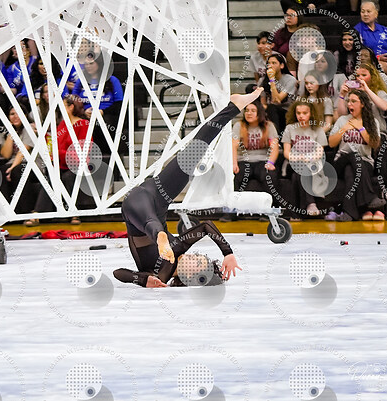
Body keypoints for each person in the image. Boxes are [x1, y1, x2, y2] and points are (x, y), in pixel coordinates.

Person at [112, 90, 264, 288]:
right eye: (200, 258)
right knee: (195, 151)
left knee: (153, 224)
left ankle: (159, 235)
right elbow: (206, 226)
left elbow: (118, 273)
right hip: (158, 196)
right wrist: (227, 252)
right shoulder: (180, 247)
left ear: (190, 277)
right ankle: (233, 106)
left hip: (136, 211)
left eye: (197, 264)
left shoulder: (159, 276)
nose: (194, 257)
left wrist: (142, 280)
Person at [24, 95, 94, 226]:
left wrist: (59, 153)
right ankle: (39, 213)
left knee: (68, 176)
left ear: (71, 107)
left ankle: (73, 212)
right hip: (62, 163)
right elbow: (56, 145)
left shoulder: (84, 124)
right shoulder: (62, 124)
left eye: (63, 105)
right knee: (52, 176)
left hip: (77, 164)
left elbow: (83, 150)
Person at [326, 89, 385, 221]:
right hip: (341, 161)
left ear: (362, 104)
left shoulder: (372, 122)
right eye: (348, 101)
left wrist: (361, 128)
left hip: (365, 163)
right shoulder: (342, 120)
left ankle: (349, 213)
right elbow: (331, 143)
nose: (349, 104)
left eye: (353, 101)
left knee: (350, 172)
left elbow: (375, 144)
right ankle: (370, 197)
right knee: (352, 156)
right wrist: (344, 129)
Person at [220, 100, 279, 222]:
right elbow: (233, 146)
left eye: (253, 111)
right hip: (243, 161)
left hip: (262, 160)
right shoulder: (239, 126)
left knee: (269, 176)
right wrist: (234, 164)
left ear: (259, 113)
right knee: (235, 177)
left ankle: (267, 211)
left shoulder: (269, 126)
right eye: (247, 110)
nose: (249, 113)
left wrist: (270, 163)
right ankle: (231, 212)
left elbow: (274, 147)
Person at [282, 101, 328, 219]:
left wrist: (308, 158)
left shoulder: (318, 130)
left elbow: (319, 153)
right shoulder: (289, 128)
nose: (301, 116)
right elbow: (286, 153)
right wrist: (297, 158)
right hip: (292, 164)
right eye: (298, 113)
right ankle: (310, 203)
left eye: (304, 113)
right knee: (299, 168)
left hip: (311, 165)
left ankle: (296, 214)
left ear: (311, 113)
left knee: (296, 177)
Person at [72, 52, 124, 156]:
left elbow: (119, 104)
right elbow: (73, 100)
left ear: (99, 64)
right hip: (86, 114)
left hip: (106, 114)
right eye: (86, 64)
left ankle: (108, 155)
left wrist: (102, 112)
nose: (88, 66)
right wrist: (83, 112)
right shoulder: (81, 81)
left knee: (103, 123)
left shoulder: (112, 80)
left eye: (91, 63)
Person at [337, 62, 387, 135]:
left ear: (372, 77)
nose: (360, 78)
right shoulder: (352, 94)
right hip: (354, 132)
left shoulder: (379, 93)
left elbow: (384, 107)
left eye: (364, 75)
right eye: (357, 75)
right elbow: (342, 114)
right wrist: (342, 95)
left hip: (377, 132)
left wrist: (367, 90)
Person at [354, 0, 387, 74]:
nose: (365, 14)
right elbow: (359, 54)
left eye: (368, 11)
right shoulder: (357, 30)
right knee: (383, 66)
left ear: (376, 14)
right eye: (363, 12)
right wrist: (378, 58)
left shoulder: (384, 29)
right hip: (369, 63)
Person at [261, 53, 298, 134]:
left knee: (272, 107)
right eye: (268, 64)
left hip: (286, 111)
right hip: (270, 110)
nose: (270, 66)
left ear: (281, 66)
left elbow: (277, 100)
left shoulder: (290, 80)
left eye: (274, 63)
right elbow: (262, 102)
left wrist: (272, 80)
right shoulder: (263, 80)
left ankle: (276, 136)